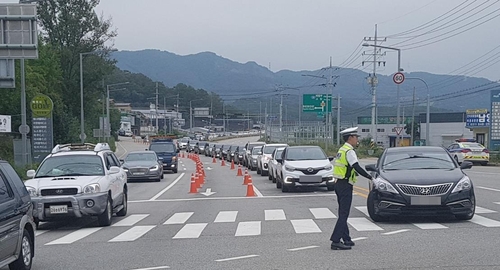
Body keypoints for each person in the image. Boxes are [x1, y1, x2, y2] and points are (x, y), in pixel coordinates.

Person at [330, 127, 374, 250]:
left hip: (338, 184)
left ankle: (347, 239)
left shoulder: (341, 150)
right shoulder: (349, 151)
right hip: (345, 185)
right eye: (356, 137)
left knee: (342, 213)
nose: (357, 140)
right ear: (350, 138)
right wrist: (369, 176)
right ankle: (335, 241)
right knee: (344, 214)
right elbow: (356, 167)